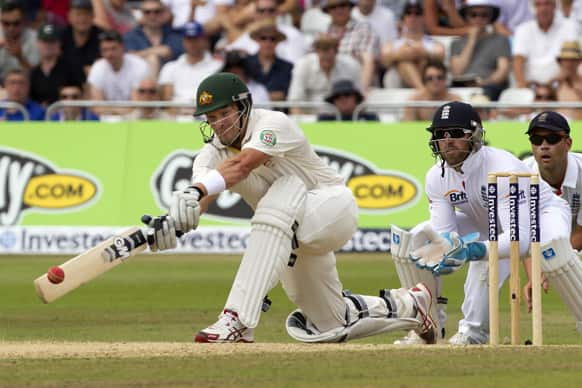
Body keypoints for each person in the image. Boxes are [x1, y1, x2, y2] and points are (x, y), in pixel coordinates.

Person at [141, 72, 437, 344]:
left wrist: (197, 189)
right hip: (287, 234)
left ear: (243, 107)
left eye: (224, 113)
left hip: (329, 206)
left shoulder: (272, 123)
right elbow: (199, 199)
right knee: (330, 323)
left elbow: (242, 165)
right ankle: (411, 305)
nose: (218, 124)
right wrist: (174, 223)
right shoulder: (209, 155)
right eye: (211, 117)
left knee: (283, 190)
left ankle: (237, 319)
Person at [397, 101, 582, 344]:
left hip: (541, 216)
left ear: (474, 135)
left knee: (554, 252)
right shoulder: (436, 177)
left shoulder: (502, 168)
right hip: (487, 222)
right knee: (418, 239)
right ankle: (430, 328)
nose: (447, 140)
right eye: (441, 134)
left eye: (455, 133)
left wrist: (475, 250)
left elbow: (519, 239)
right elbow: (444, 238)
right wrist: (447, 253)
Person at [523, 112, 582, 252]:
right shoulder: (521, 175)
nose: (544, 146)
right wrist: (541, 269)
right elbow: (525, 234)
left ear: (568, 144)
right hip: (540, 239)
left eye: (552, 138)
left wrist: (557, 261)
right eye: (537, 140)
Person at [450, 0, 511, 101]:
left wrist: (483, 83)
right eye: (473, 15)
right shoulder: (456, 43)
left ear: (490, 17)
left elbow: (502, 71)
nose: (478, 19)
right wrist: (472, 40)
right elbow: (457, 71)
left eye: (484, 15)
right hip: (461, 87)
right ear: (466, 17)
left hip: (489, 87)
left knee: (483, 96)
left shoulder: (501, 40)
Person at [287, 33, 361, 115]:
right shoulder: (302, 65)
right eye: (322, 49)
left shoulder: (351, 66)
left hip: (343, 119)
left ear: (336, 51)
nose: (325, 54)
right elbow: (294, 102)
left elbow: (359, 99)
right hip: (310, 119)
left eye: (329, 49)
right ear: (316, 51)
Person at [380, 1, 445, 89]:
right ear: (403, 18)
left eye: (417, 13)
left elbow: (440, 54)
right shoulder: (394, 43)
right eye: (408, 13)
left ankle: (421, 91)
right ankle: (421, 90)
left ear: (423, 18)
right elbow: (384, 59)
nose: (413, 17)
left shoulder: (431, 42)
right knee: (403, 62)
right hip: (401, 81)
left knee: (424, 60)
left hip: (427, 77)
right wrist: (400, 54)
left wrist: (422, 53)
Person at [512, 0, 577, 88]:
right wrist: (523, 87)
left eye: (547, 3)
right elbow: (517, 61)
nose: (543, 8)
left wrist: (553, 85)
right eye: (538, 4)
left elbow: (571, 61)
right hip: (530, 85)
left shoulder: (569, 26)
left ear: (555, 6)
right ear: (533, 8)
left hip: (561, 84)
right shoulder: (523, 29)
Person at [0, 1, 40, 82]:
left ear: (24, 21)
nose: (11, 28)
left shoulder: (35, 39)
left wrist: (20, 57)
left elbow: (38, 77)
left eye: (16, 23)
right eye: (6, 23)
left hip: (26, 87)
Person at [554, 41, 582, 120]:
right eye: (566, 60)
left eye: (573, 60)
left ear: (579, 61)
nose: (569, 63)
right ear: (560, 62)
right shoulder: (553, 83)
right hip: (556, 127)